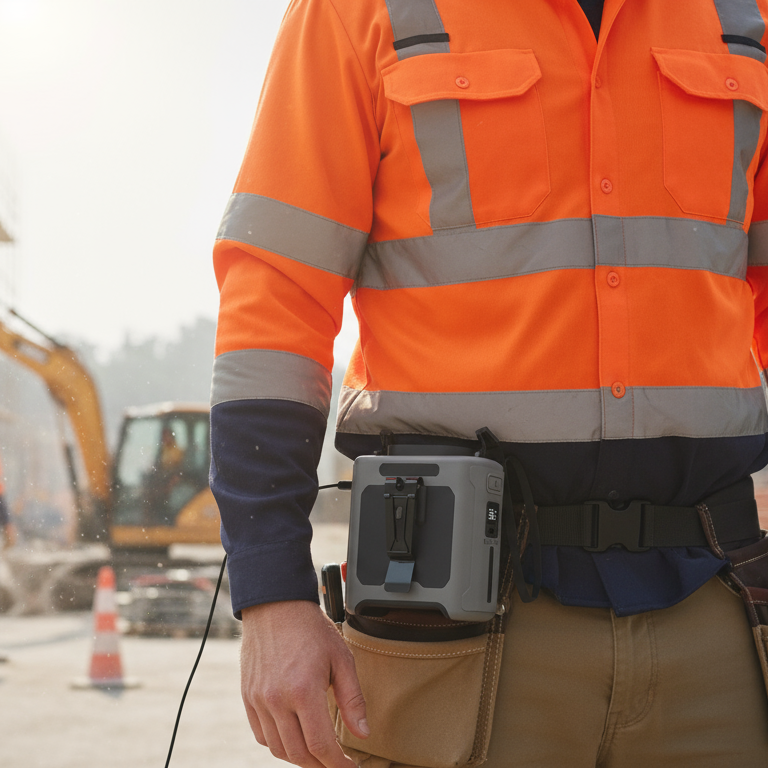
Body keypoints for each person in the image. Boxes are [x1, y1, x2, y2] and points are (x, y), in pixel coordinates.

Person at [210, 1, 768, 765]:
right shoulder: (360, 10)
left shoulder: (745, 15)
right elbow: (275, 306)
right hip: (453, 632)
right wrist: (273, 597)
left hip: (716, 615)